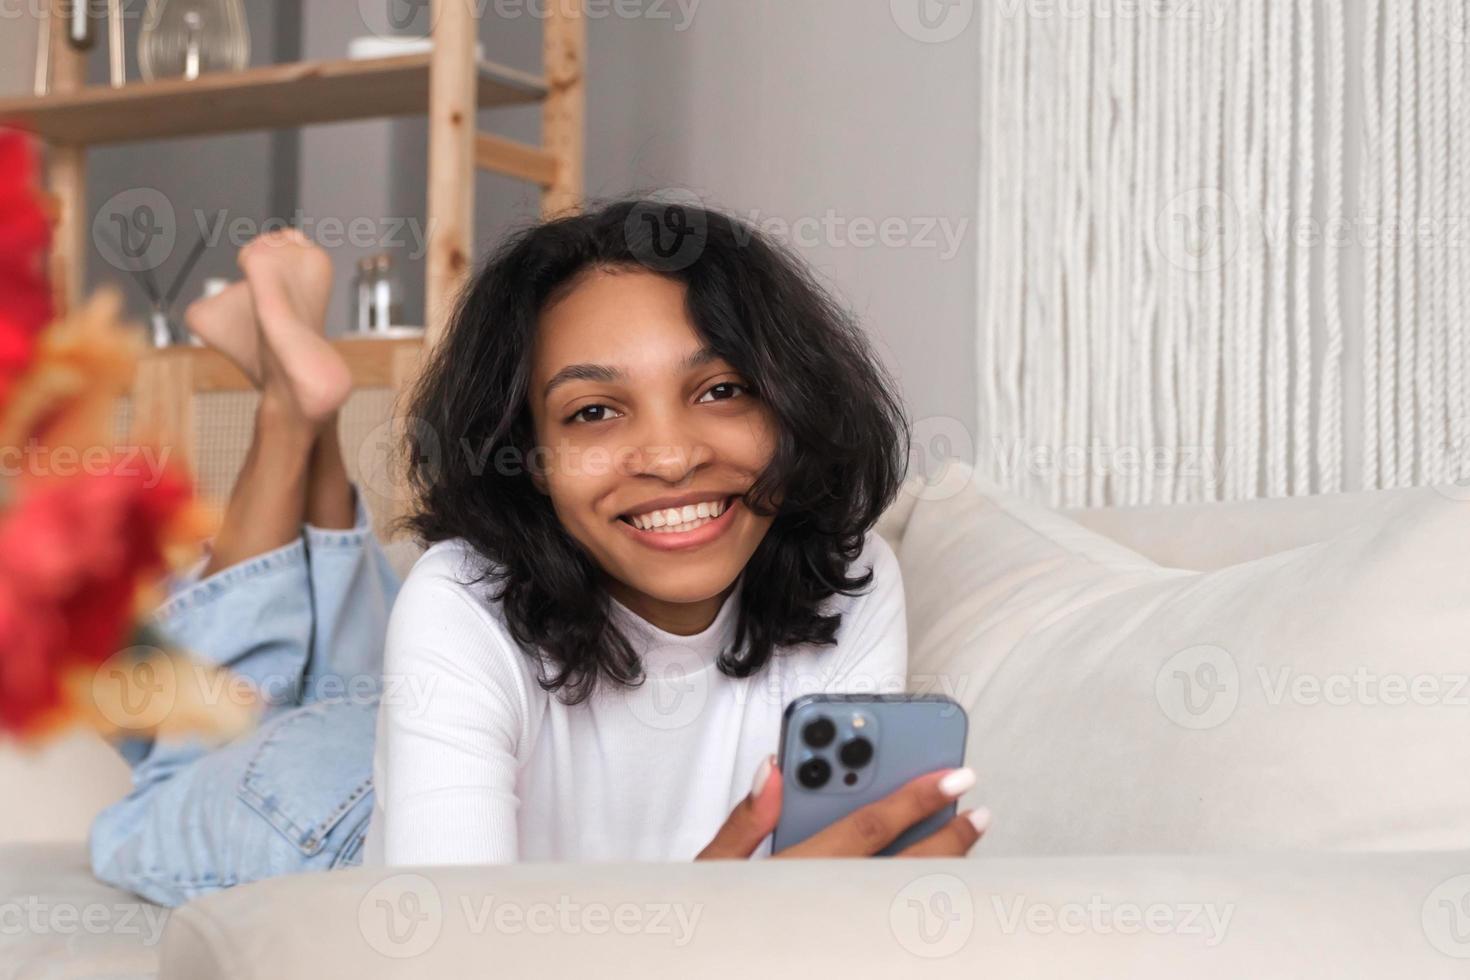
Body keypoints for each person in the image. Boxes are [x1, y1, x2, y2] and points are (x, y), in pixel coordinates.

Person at [90, 203, 990, 909]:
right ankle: (292, 413)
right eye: (594, 411)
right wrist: (714, 912)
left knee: (350, 669)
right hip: (331, 810)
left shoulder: (851, 575)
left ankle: (298, 396)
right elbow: (459, 949)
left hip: (432, 742)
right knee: (168, 769)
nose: (672, 457)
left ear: (791, 404)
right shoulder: (461, 599)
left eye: (720, 390)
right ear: (529, 458)